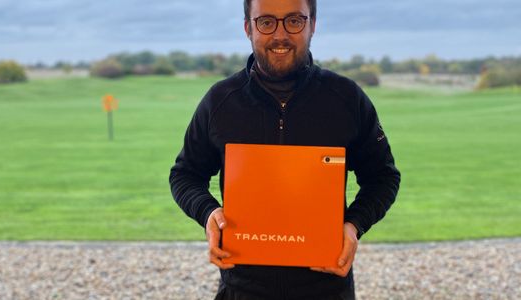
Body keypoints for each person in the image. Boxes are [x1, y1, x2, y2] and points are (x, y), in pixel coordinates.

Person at [169, 0, 401, 298]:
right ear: (247, 28)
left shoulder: (346, 98)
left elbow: (383, 177)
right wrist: (208, 212)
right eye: (266, 22)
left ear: (313, 25)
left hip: (326, 287)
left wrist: (354, 225)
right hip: (243, 289)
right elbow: (185, 174)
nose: (280, 34)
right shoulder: (220, 101)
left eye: (294, 20)